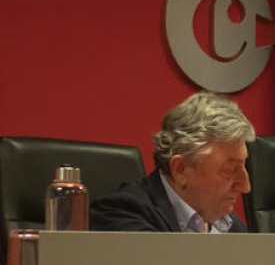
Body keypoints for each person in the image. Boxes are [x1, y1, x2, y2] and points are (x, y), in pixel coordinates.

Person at [91, 91, 255, 232]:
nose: (245, 186)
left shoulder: (233, 226)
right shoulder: (122, 214)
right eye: (230, 169)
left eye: (244, 166)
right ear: (181, 169)